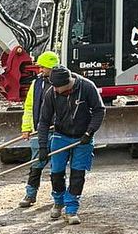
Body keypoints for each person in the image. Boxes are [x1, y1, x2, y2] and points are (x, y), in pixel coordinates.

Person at [36, 65, 105, 225]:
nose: (55, 89)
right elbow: (44, 121)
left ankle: (71, 209)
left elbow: (99, 110)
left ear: (67, 83)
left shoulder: (87, 87)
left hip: (83, 138)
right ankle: (58, 201)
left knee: (78, 175)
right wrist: (42, 146)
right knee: (56, 173)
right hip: (61, 136)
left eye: (57, 87)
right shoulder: (51, 93)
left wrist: (89, 132)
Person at [18, 50, 60, 208]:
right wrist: (26, 127)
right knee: (36, 163)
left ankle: (58, 198)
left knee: (57, 168)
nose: (40, 70)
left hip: (58, 131)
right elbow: (29, 107)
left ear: (51, 67)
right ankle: (30, 194)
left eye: (43, 67)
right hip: (39, 130)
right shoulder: (36, 84)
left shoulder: (63, 82)